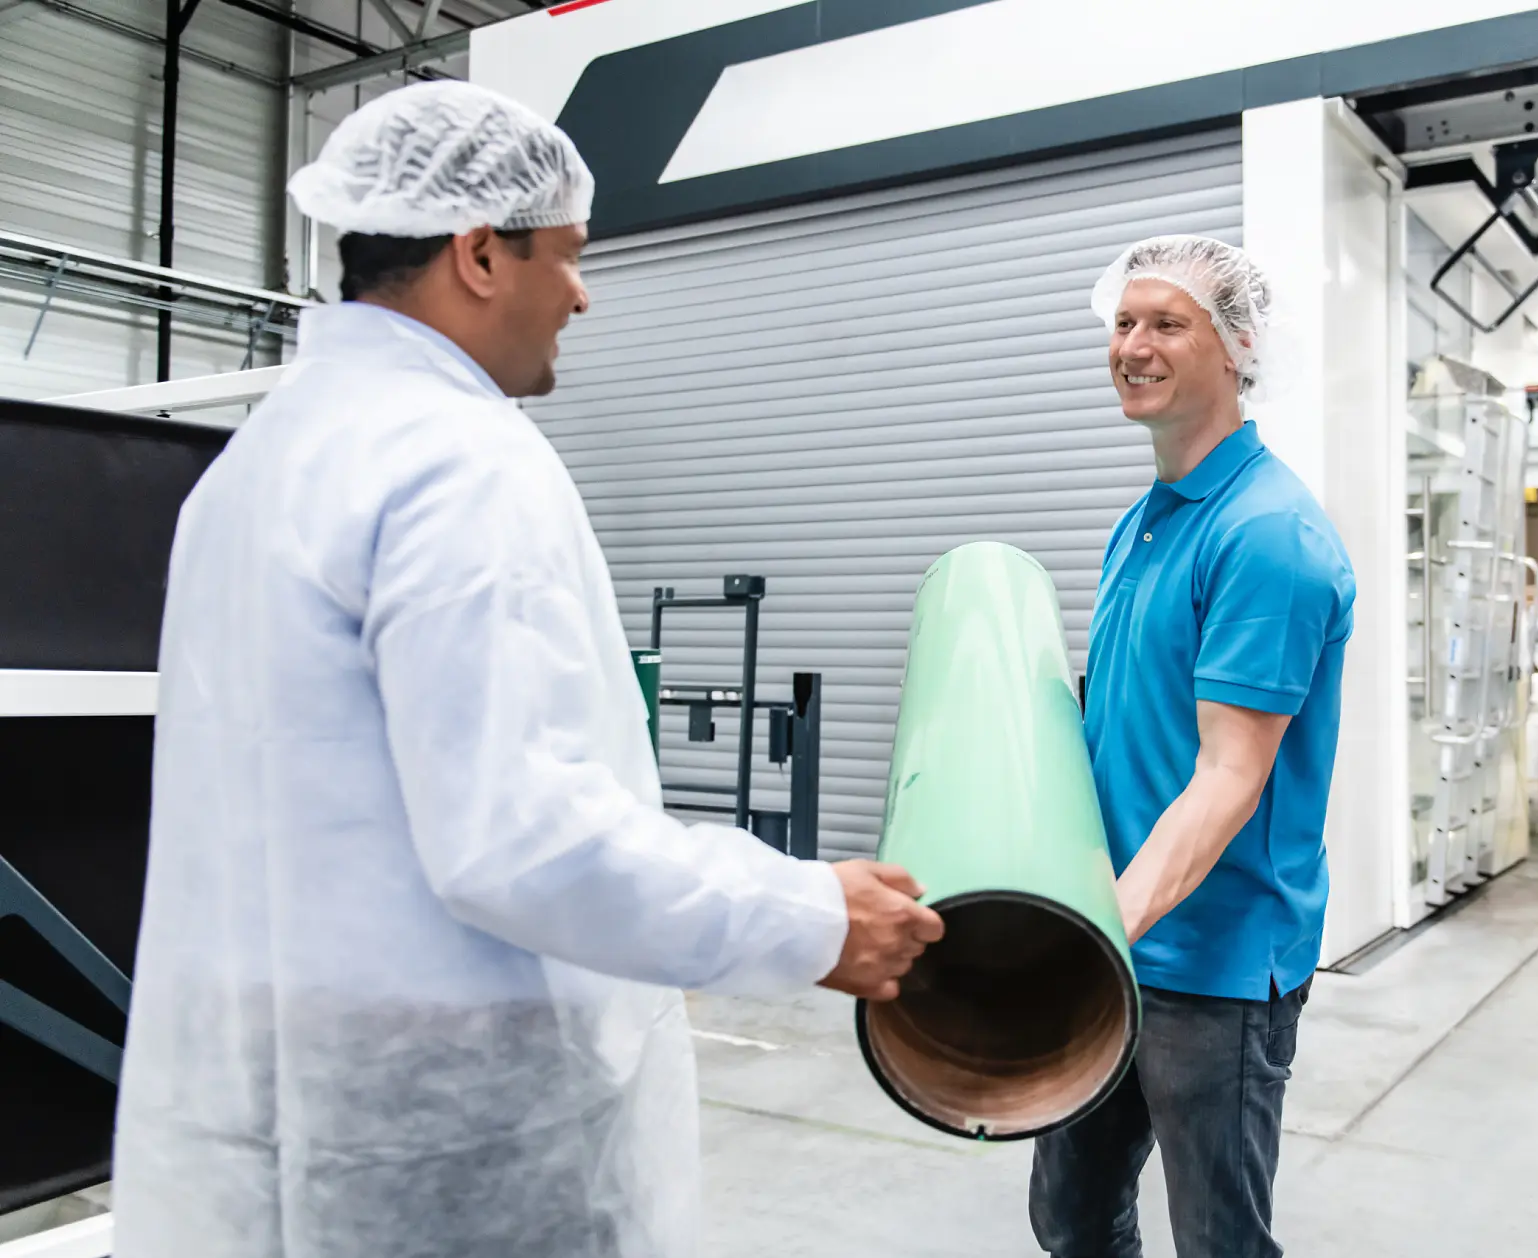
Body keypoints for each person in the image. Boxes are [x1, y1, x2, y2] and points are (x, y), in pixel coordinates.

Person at [112, 81, 942, 1258]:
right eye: (569, 255)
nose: (582, 294)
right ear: (482, 255)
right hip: (439, 1130)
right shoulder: (456, 462)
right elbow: (520, 837)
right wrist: (806, 915)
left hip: (269, 1103)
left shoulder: (257, 466)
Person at [1029, 237, 1355, 1258]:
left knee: (1217, 1238)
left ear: (1239, 346)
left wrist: (1102, 929)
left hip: (1212, 961)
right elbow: (1113, 724)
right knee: (1071, 1215)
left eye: (1166, 323)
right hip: (1121, 938)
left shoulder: (1268, 535)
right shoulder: (1146, 521)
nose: (1132, 345)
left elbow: (1229, 774)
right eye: (1123, 322)